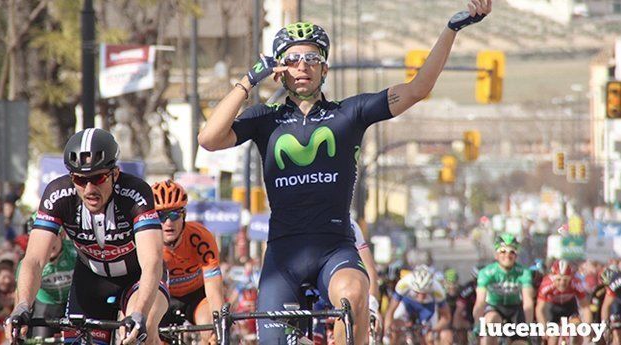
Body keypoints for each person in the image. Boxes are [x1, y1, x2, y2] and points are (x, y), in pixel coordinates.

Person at [197, 1, 492, 343]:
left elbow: (417, 89)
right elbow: (208, 138)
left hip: (334, 248)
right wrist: (248, 81)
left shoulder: (349, 113)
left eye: (312, 59)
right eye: (292, 59)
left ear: (325, 69)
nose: (302, 66)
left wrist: (451, 29)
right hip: (283, 257)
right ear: (280, 71)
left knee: (353, 294)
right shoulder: (264, 117)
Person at [6, 128, 169, 345]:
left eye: (98, 178)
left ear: (115, 174)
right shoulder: (58, 195)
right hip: (92, 279)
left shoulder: (135, 193)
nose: (89, 189)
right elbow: (34, 259)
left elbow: (152, 262)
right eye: (80, 180)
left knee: (141, 331)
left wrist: (138, 313)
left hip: (138, 276)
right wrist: (22, 306)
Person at [152, 180, 224, 344]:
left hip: (196, 297)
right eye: (161, 216)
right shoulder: (146, 242)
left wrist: (219, 326)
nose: (168, 222)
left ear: (184, 215)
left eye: (174, 214)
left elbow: (214, 289)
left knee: (211, 331)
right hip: (163, 297)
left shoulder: (200, 238)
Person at [473, 233, 534, 345]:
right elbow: (480, 302)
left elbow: (528, 302)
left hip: (515, 309)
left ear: (516, 255)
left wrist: (528, 325)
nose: (507, 255)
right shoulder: (486, 272)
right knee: (491, 322)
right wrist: (478, 323)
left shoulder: (524, 272)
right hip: (494, 308)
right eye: (503, 251)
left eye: (512, 252)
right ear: (496, 255)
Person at [383, 265, 452, 345]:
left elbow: (446, 317)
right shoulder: (403, 284)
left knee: (429, 339)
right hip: (407, 305)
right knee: (394, 329)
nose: (420, 296)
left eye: (424, 293)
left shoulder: (437, 289)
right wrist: (387, 332)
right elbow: (390, 311)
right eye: (417, 292)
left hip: (427, 308)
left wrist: (434, 330)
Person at [535, 259, 591, 345]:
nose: (562, 283)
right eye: (558, 279)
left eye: (565, 280)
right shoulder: (546, 284)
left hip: (569, 306)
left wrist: (587, 326)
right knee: (552, 337)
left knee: (577, 330)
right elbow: (539, 309)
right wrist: (544, 328)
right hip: (552, 308)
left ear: (570, 278)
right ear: (553, 278)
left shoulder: (575, 283)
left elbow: (585, 307)